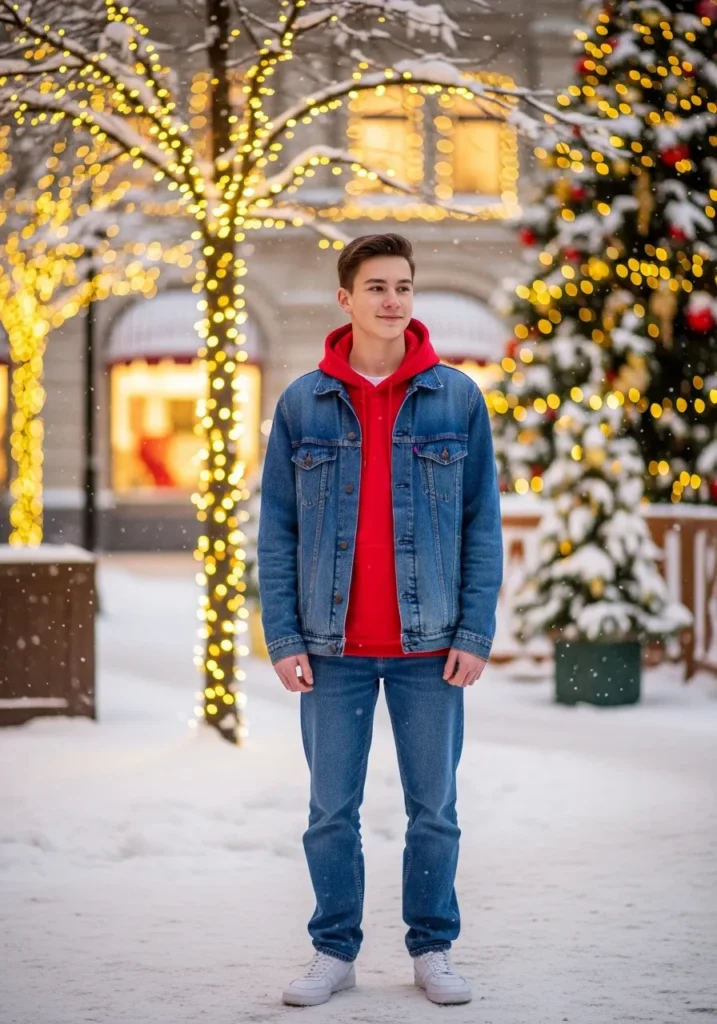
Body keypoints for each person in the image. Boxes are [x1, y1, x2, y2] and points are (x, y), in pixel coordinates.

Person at [257, 232, 503, 1007]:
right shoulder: (302, 402)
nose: (391, 300)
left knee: (435, 809)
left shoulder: (456, 397)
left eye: (402, 286)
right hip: (331, 652)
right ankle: (334, 951)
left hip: (430, 649)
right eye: (375, 287)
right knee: (331, 811)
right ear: (345, 299)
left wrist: (471, 632)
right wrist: (285, 636)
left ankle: (432, 947)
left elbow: (480, 525)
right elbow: (277, 532)